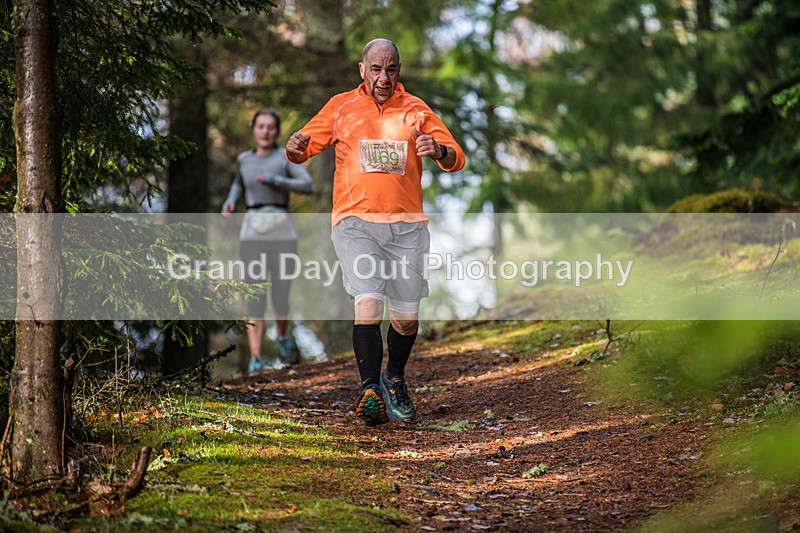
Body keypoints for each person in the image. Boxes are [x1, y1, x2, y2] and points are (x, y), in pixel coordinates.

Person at [285, 39, 465, 425]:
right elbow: (303, 149)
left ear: (399, 71)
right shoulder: (341, 107)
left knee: (406, 320)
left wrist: (439, 150)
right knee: (368, 301)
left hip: (408, 226)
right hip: (355, 221)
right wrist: (295, 148)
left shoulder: (416, 110)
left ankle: (393, 378)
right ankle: (369, 390)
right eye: (377, 69)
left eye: (392, 69)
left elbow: (456, 156)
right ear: (362, 70)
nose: (384, 78)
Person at [222, 108, 313, 373]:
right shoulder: (244, 160)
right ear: (254, 129)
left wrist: (275, 179)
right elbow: (239, 184)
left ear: (277, 131)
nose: (265, 131)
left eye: (270, 127)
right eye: (260, 126)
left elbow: (306, 185)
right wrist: (230, 200)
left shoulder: (284, 158)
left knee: (280, 294)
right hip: (251, 232)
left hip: (282, 230)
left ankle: (282, 335)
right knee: (254, 295)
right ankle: (256, 358)